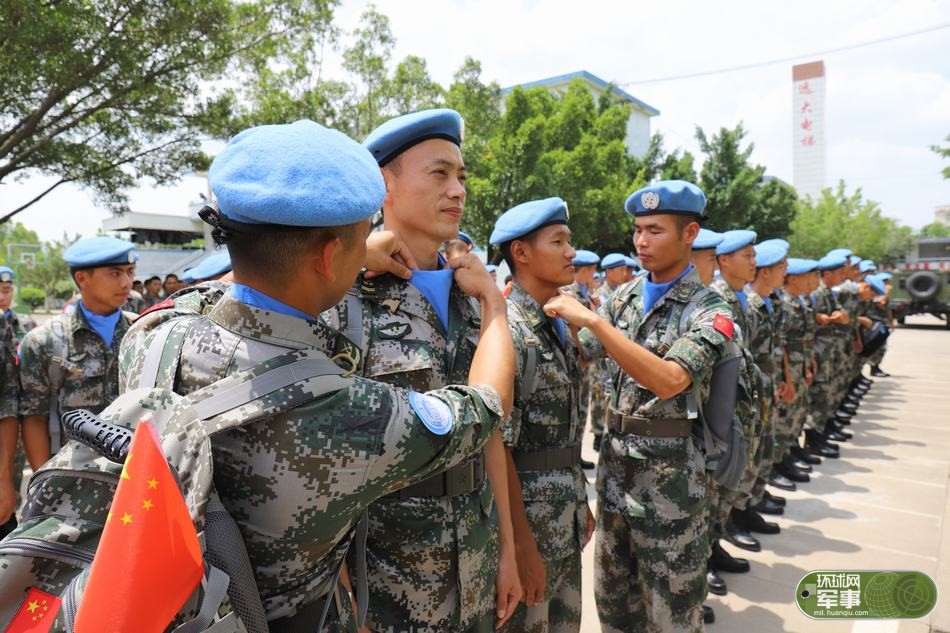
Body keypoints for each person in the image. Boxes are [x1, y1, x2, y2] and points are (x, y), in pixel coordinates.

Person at [119, 119, 515, 631]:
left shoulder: (153, 338)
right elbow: (483, 403)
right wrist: (496, 310)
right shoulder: (341, 413)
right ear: (330, 257)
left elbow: (195, 298)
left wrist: (337, 254)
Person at [326, 108, 521, 632]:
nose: (457, 190)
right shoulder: (344, 305)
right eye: (439, 174)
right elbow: (327, 470)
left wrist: (506, 549)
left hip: (475, 568)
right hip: (391, 585)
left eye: (461, 176)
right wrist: (348, 603)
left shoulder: (472, 295)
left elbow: (490, 432)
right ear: (384, 185)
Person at [545, 180, 735, 632]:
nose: (641, 242)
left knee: (670, 613)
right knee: (614, 605)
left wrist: (591, 318)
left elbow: (669, 380)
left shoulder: (710, 309)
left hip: (672, 488)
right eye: (637, 230)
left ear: (690, 234)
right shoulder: (624, 297)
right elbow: (583, 350)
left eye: (655, 230)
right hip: (614, 477)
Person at [489, 197, 595, 632]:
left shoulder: (557, 322)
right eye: (559, 241)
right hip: (530, 528)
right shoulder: (509, 332)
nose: (571, 251)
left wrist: (581, 499)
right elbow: (499, 449)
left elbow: (566, 435)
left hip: (564, 518)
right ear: (521, 252)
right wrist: (521, 549)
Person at [18, 236, 138, 474]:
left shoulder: (143, 331)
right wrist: (45, 482)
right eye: (115, 273)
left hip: (134, 475)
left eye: (130, 272)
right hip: (71, 478)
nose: (127, 283)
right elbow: (34, 418)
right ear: (82, 278)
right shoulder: (45, 341)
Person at [0, 266, 37, 536]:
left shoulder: (23, 326)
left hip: (18, 422)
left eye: (6, 290)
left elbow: (10, 396)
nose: (2, 296)